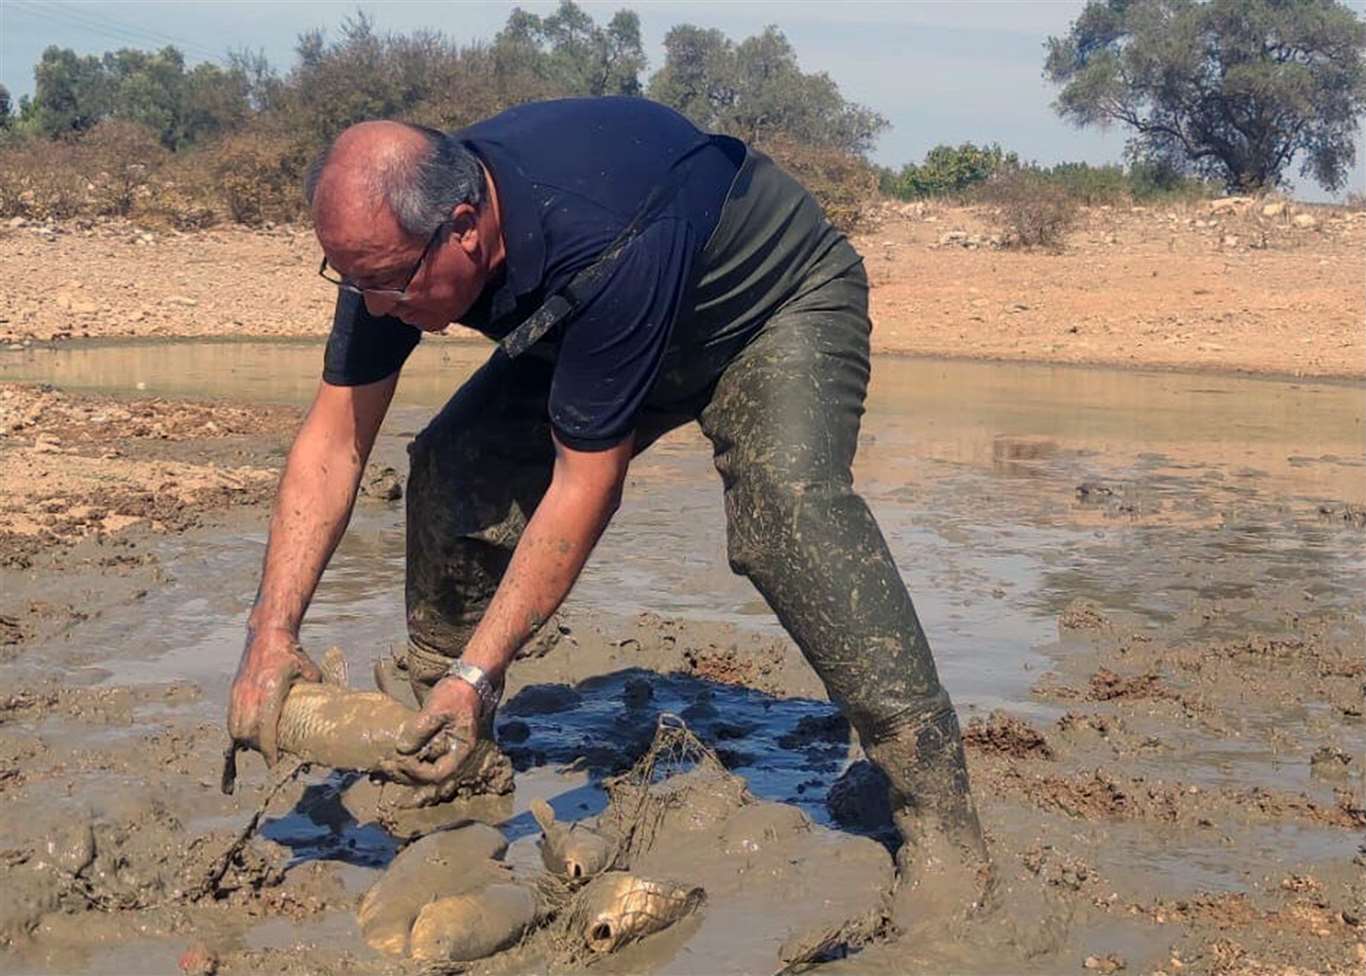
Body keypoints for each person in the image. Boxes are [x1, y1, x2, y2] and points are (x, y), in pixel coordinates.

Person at [226, 97, 991, 930]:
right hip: (602, 325)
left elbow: (585, 483)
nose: (373, 306)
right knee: (457, 467)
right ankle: (450, 756)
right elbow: (334, 440)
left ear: (465, 227)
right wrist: (270, 635)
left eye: (389, 281)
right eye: (351, 279)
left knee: (789, 518)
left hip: (765, 311)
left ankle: (934, 806)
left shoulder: (595, 231)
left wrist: (478, 671)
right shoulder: (388, 247)